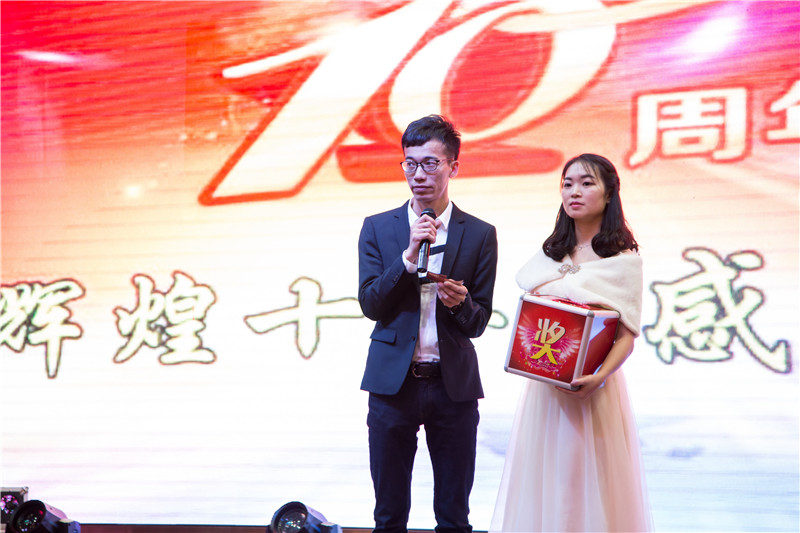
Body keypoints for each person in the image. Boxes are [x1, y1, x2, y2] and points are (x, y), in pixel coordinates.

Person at [491, 153, 652, 532]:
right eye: (567, 184)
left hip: (594, 390)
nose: (574, 192)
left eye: (586, 183)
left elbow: (626, 336)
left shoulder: (623, 261)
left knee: (587, 486)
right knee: (544, 483)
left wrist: (600, 376)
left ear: (609, 193)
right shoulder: (549, 255)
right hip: (545, 392)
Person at [358, 114, 498, 533]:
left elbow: (478, 322)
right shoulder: (378, 228)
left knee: (454, 516)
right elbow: (371, 304)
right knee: (388, 516)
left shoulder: (480, 234)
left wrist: (460, 304)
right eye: (410, 163)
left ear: (453, 167)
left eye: (430, 163)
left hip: (452, 387)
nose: (418, 175)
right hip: (392, 386)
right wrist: (406, 258)